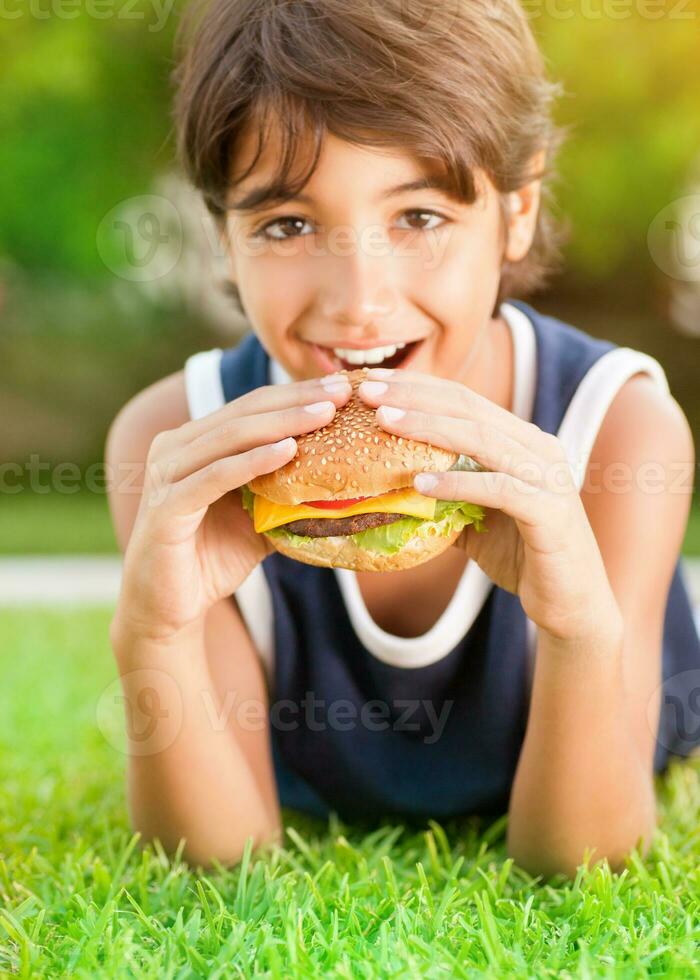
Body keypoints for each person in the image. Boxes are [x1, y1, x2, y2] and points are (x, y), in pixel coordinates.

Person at [105, 0, 700, 878]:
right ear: (225, 239)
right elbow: (221, 867)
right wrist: (152, 636)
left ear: (518, 210)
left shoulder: (616, 427)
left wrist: (577, 627)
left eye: (419, 216)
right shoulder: (173, 444)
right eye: (287, 225)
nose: (360, 301)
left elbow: (584, 868)